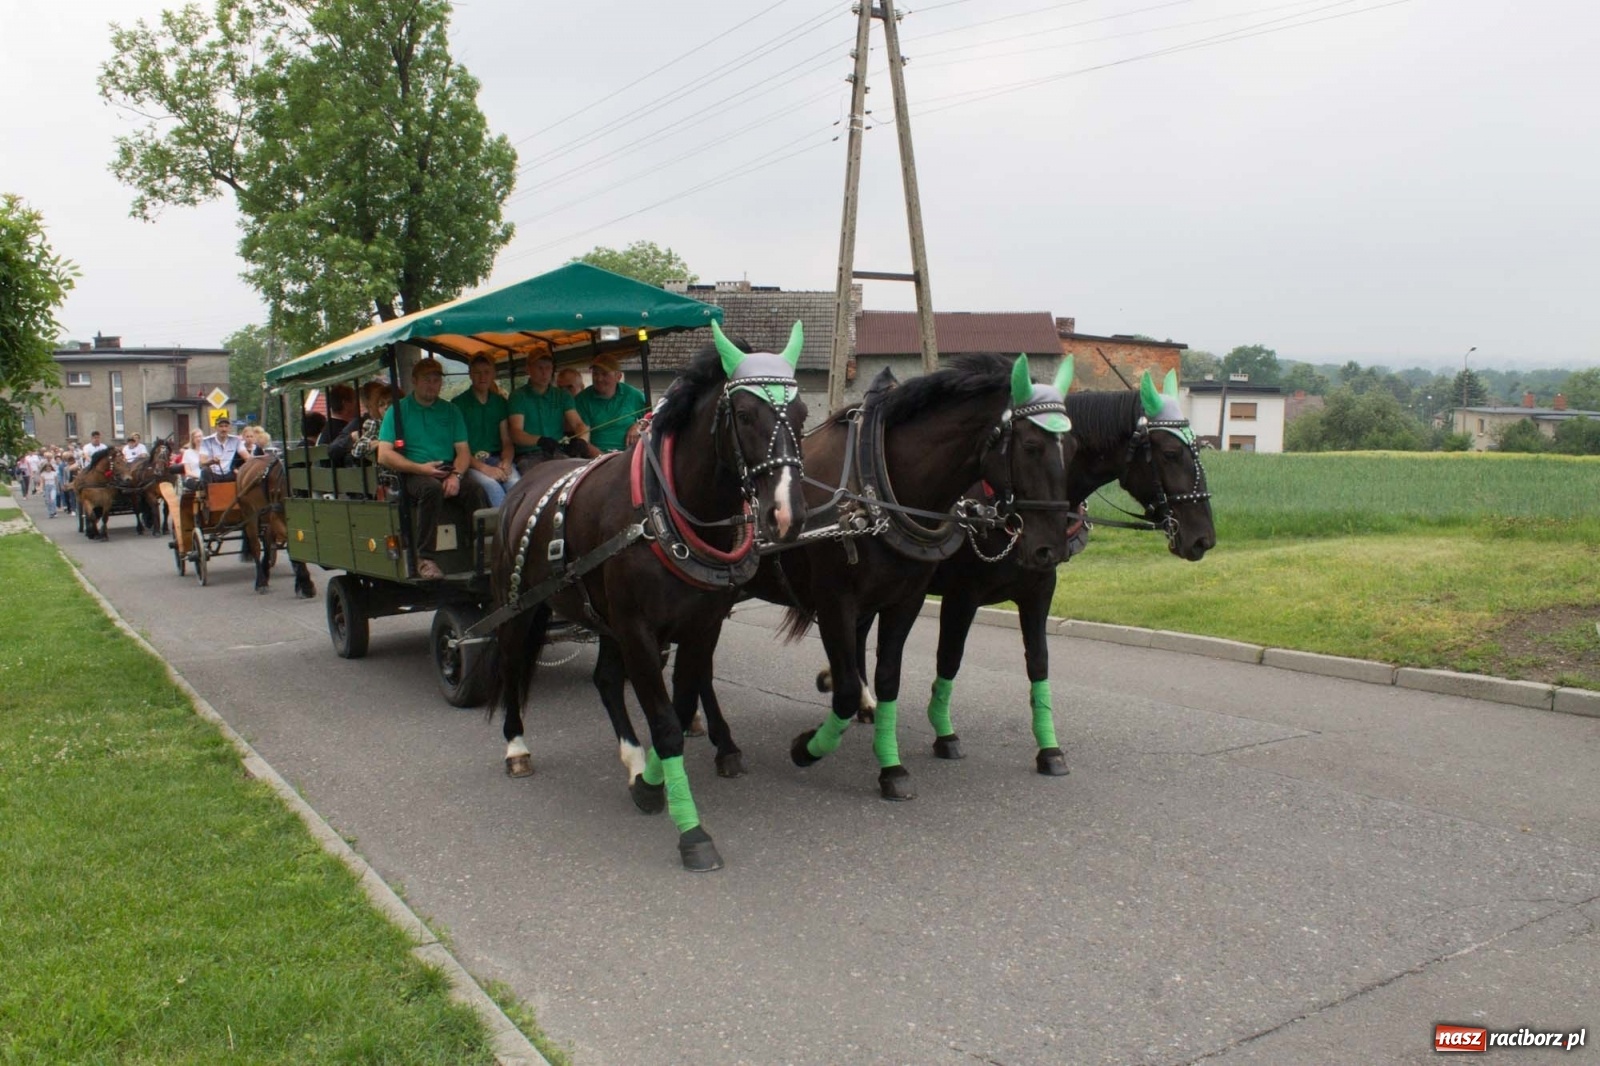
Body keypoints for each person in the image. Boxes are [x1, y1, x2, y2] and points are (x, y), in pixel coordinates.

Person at [376, 358, 484, 580]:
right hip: (413, 472)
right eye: (427, 380)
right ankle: (425, 558)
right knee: (431, 489)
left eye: (436, 380)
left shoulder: (450, 410)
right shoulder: (398, 411)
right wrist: (421, 469)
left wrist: (456, 475)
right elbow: (384, 454)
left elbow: (463, 451)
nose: (432, 385)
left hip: (446, 468)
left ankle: (479, 550)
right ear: (414, 381)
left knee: (475, 489)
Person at [508, 351, 595, 473]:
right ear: (528, 369)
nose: (544, 373)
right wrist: (539, 440)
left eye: (548, 368)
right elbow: (516, 433)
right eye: (539, 368)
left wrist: (582, 440)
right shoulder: (518, 396)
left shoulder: (562, 395)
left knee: (579, 476)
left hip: (557, 452)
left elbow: (578, 424)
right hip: (528, 455)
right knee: (542, 480)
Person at [451, 355, 520, 507]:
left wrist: (507, 462)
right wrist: (486, 469)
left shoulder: (499, 402)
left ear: (493, 374)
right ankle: (502, 529)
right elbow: (461, 450)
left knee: (516, 484)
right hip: (472, 463)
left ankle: (519, 529)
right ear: (470, 374)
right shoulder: (458, 404)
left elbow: (507, 441)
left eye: (487, 372)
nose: (482, 377)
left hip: (496, 459)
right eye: (477, 372)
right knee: (493, 487)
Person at [574, 353, 648, 453]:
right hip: (597, 459)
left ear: (618, 376)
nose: (599, 379)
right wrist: (604, 460)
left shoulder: (633, 395)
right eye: (595, 374)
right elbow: (583, 441)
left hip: (630, 455)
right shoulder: (582, 400)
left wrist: (638, 425)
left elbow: (651, 418)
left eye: (604, 374)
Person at [329, 381, 393, 467]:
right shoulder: (361, 422)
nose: (386, 407)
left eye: (390, 402)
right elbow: (333, 450)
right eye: (381, 403)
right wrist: (351, 438)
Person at [198, 417, 247, 482]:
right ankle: (206, 491)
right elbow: (202, 463)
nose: (224, 429)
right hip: (213, 474)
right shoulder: (206, 441)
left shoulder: (236, 440)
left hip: (229, 473)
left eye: (226, 426)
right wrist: (211, 461)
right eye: (221, 426)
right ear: (215, 427)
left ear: (229, 428)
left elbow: (247, 457)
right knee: (204, 471)